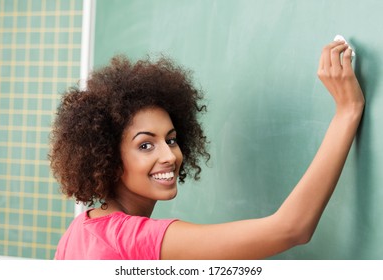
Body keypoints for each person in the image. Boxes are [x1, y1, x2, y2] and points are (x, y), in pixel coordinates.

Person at [50, 40, 364, 260]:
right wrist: (347, 111)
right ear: (107, 159)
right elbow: (291, 228)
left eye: (171, 139)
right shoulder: (133, 240)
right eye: (145, 145)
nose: (169, 156)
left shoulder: (78, 231)